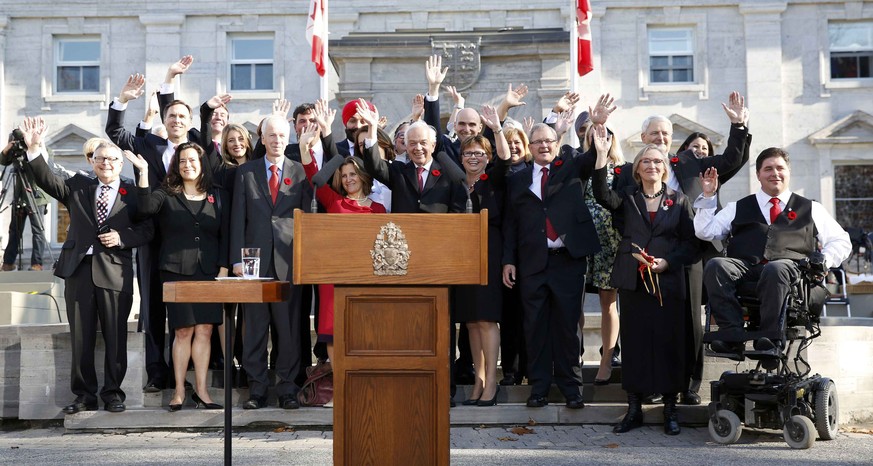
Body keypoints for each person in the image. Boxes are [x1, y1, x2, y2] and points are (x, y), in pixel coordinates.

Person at [620, 93, 751, 406]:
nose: (662, 139)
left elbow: (732, 160)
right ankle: (651, 384)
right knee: (653, 323)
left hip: (691, 252)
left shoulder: (691, 163)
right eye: (655, 134)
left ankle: (689, 386)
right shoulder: (632, 171)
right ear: (642, 139)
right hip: (647, 258)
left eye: (666, 134)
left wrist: (738, 125)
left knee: (690, 320)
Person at [21, 117, 153, 414]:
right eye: (101, 158)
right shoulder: (78, 186)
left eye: (112, 159)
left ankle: (113, 394)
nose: (106, 163)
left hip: (115, 273)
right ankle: (84, 396)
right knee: (81, 336)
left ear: (122, 164)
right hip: (78, 271)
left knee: (115, 336)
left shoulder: (133, 192)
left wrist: (121, 237)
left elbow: (148, 229)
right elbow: (47, 180)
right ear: (92, 162)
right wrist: (34, 149)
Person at [500, 97, 612, 411]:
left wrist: (599, 124)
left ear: (556, 143)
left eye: (549, 141)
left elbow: (592, 158)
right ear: (530, 147)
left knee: (567, 328)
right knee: (534, 327)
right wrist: (508, 260)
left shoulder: (570, 166)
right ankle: (539, 389)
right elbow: (510, 223)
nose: (544, 146)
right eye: (537, 142)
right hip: (532, 263)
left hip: (567, 261)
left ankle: (572, 390)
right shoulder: (518, 178)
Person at [592, 129, 698, 435]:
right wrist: (601, 155)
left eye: (657, 161)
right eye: (645, 161)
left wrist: (668, 262)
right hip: (634, 279)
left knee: (669, 343)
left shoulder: (679, 201)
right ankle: (634, 408)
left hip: (667, 280)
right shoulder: (627, 198)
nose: (652, 165)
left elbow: (690, 245)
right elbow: (601, 195)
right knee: (636, 344)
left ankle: (670, 409)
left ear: (665, 168)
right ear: (637, 168)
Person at [695, 148, 851, 356]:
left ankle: (769, 336)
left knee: (776, 268)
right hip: (747, 268)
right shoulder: (737, 207)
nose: (774, 173)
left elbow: (841, 241)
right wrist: (707, 196)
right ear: (758, 175)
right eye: (768, 169)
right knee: (716, 265)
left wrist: (824, 259)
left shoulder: (811, 208)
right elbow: (705, 231)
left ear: (788, 173)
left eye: (780, 168)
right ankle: (731, 334)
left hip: (791, 272)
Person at [105, 71, 199, 393]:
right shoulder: (148, 145)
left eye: (181, 116)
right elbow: (115, 131)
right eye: (171, 115)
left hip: (189, 243)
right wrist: (122, 101)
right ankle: (156, 372)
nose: (176, 120)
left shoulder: (196, 150)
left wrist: (171, 81)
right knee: (153, 307)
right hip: (154, 239)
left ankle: (183, 370)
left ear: (189, 122)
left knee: (185, 311)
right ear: (165, 118)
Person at [126, 143, 228, 411]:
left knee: (205, 330)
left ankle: (203, 391)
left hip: (209, 271)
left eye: (192, 160)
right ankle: (180, 391)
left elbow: (225, 234)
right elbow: (145, 208)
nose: (187, 165)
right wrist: (143, 173)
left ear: (201, 163)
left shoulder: (216, 195)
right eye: (182, 161)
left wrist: (224, 267)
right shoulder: (166, 192)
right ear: (176, 165)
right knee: (183, 331)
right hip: (175, 271)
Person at [298, 101, 387, 406]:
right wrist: (306, 145)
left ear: (364, 176)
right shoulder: (334, 202)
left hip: (365, 277)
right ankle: (341, 387)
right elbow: (312, 172)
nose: (349, 179)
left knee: (362, 334)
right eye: (345, 175)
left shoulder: (378, 209)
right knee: (334, 335)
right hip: (334, 277)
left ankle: (363, 386)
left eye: (353, 174)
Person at [230, 115, 313, 410]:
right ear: (262, 139)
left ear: (288, 138)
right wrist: (236, 260)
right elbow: (238, 217)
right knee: (254, 328)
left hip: (289, 263)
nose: (277, 140)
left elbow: (307, 218)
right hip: (253, 263)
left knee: (288, 329)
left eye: (282, 135)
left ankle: (288, 389)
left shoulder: (300, 172)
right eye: (272, 136)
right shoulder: (247, 173)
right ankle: (257, 389)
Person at [455, 105, 511, 407]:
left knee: (487, 321)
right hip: (463, 257)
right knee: (471, 322)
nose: (473, 158)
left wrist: (497, 127)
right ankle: (478, 378)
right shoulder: (457, 184)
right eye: (468, 154)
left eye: (479, 154)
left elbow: (505, 159)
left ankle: (492, 382)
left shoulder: (494, 180)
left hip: (489, 254)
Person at [580, 123, 626, 385]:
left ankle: (607, 361)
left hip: (611, 242)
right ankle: (575, 356)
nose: (599, 139)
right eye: (593, 135)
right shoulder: (582, 166)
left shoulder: (622, 169)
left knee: (608, 302)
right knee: (575, 301)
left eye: (604, 135)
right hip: (581, 239)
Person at [498, 126, 531, 386]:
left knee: (531, 314)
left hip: (533, 253)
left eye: (518, 142)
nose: (515, 147)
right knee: (510, 316)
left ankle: (531, 368)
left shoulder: (536, 171)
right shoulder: (500, 175)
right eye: (509, 143)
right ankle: (510, 369)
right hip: (508, 250)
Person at [1, 132, 51, 271]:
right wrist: (6, 150)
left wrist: (33, 147)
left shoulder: (41, 150)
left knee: (38, 231)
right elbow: (3, 162)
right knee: (14, 231)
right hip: (19, 197)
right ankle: (8, 263)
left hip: (36, 197)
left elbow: (44, 165)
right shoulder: (15, 153)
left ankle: (36, 264)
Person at [353, 125, 394, 212]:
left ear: (383, 142)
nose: (366, 148)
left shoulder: (399, 170)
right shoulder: (359, 176)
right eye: (361, 145)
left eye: (369, 142)